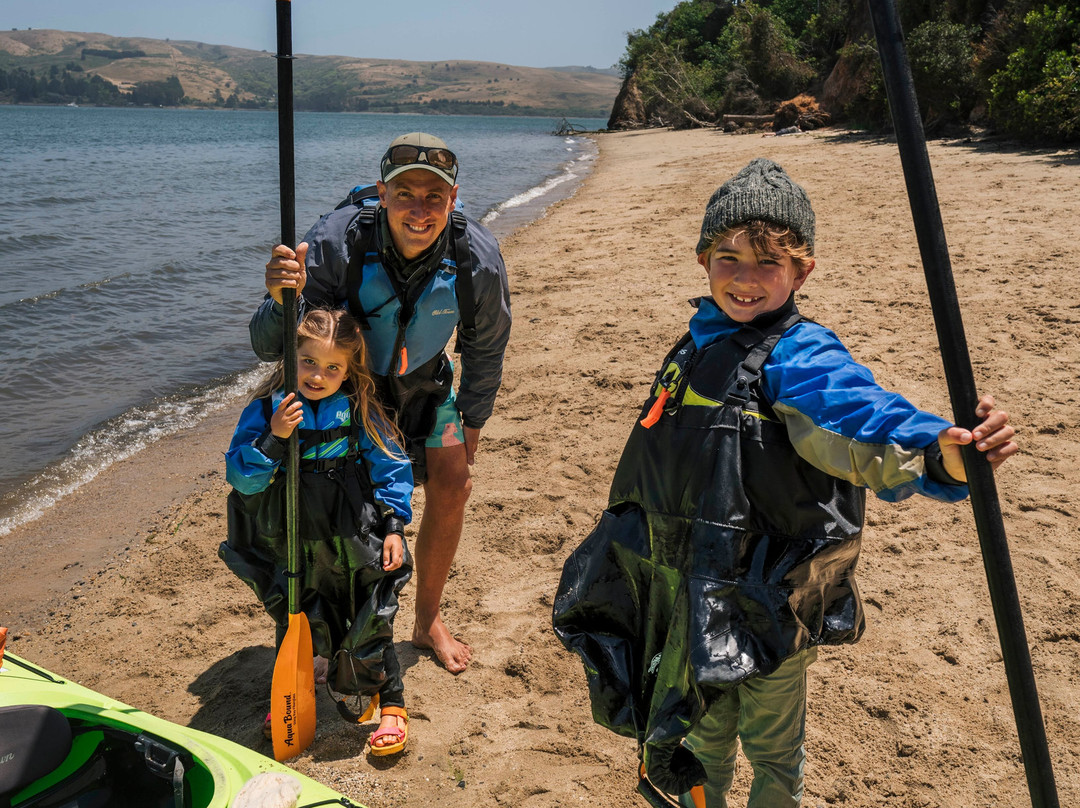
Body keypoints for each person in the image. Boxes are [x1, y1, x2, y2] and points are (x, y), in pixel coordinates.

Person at [552, 158, 1018, 806]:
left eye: (768, 263)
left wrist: (945, 450)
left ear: (803, 270)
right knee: (697, 745)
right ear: (702, 259)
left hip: (772, 604)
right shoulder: (696, 342)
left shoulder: (798, 355)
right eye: (729, 258)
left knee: (773, 749)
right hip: (695, 595)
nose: (745, 279)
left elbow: (862, 418)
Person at [250, 132, 512, 673]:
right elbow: (266, 344)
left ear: (453, 199)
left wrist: (475, 420)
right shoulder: (334, 243)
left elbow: (486, 347)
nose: (420, 210)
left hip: (425, 382)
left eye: (434, 197)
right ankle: (320, 620)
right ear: (381, 193)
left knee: (455, 483)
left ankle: (427, 618)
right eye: (406, 194)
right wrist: (280, 301)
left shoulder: (477, 259)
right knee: (329, 494)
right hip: (348, 383)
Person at [222, 308, 414, 755]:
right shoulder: (268, 411)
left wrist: (393, 528)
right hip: (293, 539)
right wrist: (273, 437)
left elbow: (392, 470)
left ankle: (393, 707)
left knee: (371, 616)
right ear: (290, 359)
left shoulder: (357, 410)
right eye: (308, 362)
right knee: (297, 613)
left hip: (351, 534)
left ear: (349, 371)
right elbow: (242, 478)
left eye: (333, 367)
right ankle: (290, 692)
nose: (318, 375)